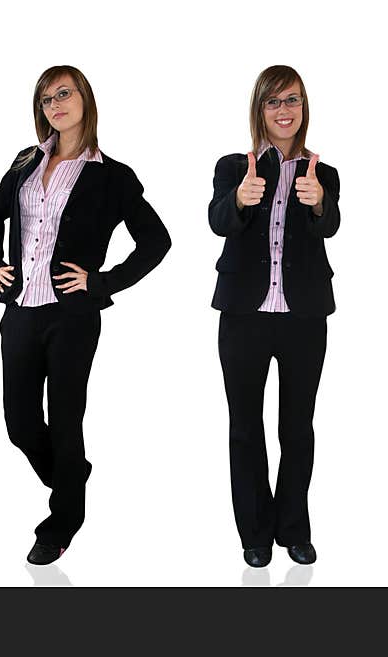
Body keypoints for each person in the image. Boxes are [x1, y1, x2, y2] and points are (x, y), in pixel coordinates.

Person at [0, 65, 171, 565]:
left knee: (65, 421)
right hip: (20, 310)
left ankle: (62, 521)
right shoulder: (25, 161)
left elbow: (157, 241)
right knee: (19, 422)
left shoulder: (112, 175)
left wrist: (102, 282)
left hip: (72, 317)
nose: (54, 104)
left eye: (63, 93)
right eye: (45, 99)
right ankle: (71, 477)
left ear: (85, 97)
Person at [209, 65, 339, 568]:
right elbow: (218, 218)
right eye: (274, 101)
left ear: (303, 109)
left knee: (297, 427)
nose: (285, 110)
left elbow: (331, 225)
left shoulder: (323, 173)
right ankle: (255, 534)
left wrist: (320, 203)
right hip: (243, 314)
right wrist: (239, 200)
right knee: (245, 427)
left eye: (293, 101)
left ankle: (294, 528)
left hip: (305, 316)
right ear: (259, 109)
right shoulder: (232, 166)